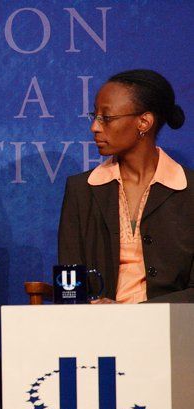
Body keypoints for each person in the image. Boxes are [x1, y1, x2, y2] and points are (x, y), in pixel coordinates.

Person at [59, 69, 193, 303]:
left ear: (144, 122)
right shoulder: (82, 190)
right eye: (95, 116)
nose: (95, 127)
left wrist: (138, 314)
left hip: (173, 329)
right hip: (99, 331)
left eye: (106, 118)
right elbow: (69, 286)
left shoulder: (189, 191)